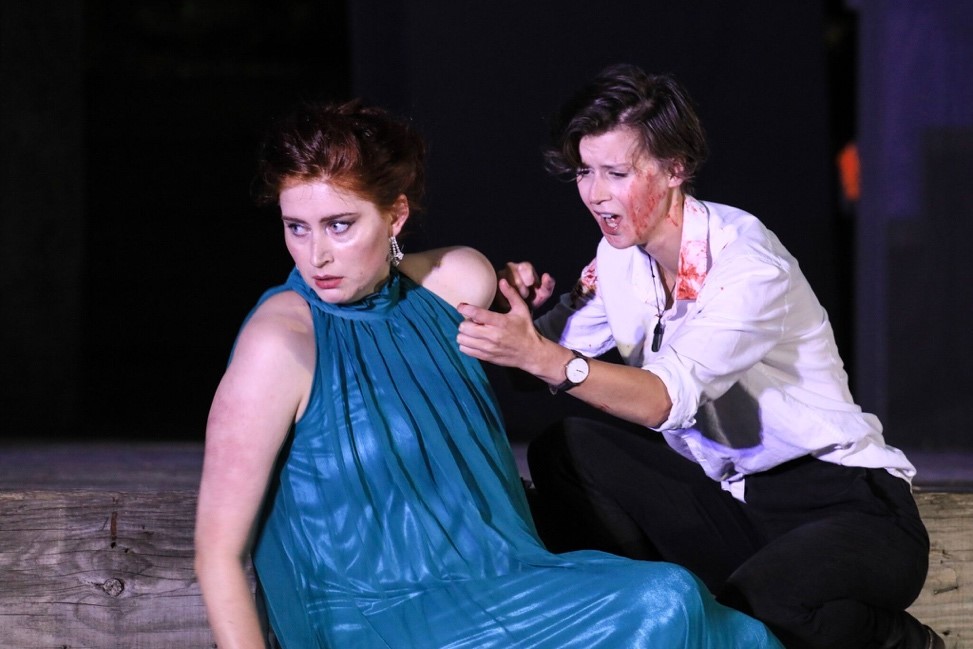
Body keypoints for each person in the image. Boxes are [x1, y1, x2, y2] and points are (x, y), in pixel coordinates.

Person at [193, 99, 783, 649]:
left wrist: (518, 298)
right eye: (297, 227)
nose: (315, 254)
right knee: (664, 601)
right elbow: (218, 555)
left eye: (340, 225)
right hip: (371, 616)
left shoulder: (455, 284)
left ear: (395, 215)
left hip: (498, 581)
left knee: (719, 622)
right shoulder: (280, 343)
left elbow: (485, 305)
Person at [456, 64, 942, 649]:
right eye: (585, 171)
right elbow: (543, 364)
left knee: (759, 606)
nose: (595, 193)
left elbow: (663, 400)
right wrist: (515, 317)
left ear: (675, 169)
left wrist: (542, 356)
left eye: (616, 173)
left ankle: (905, 643)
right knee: (567, 450)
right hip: (737, 504)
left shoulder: (748, 265)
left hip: (847, 505)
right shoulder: (618, 258)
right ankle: (642, 617)